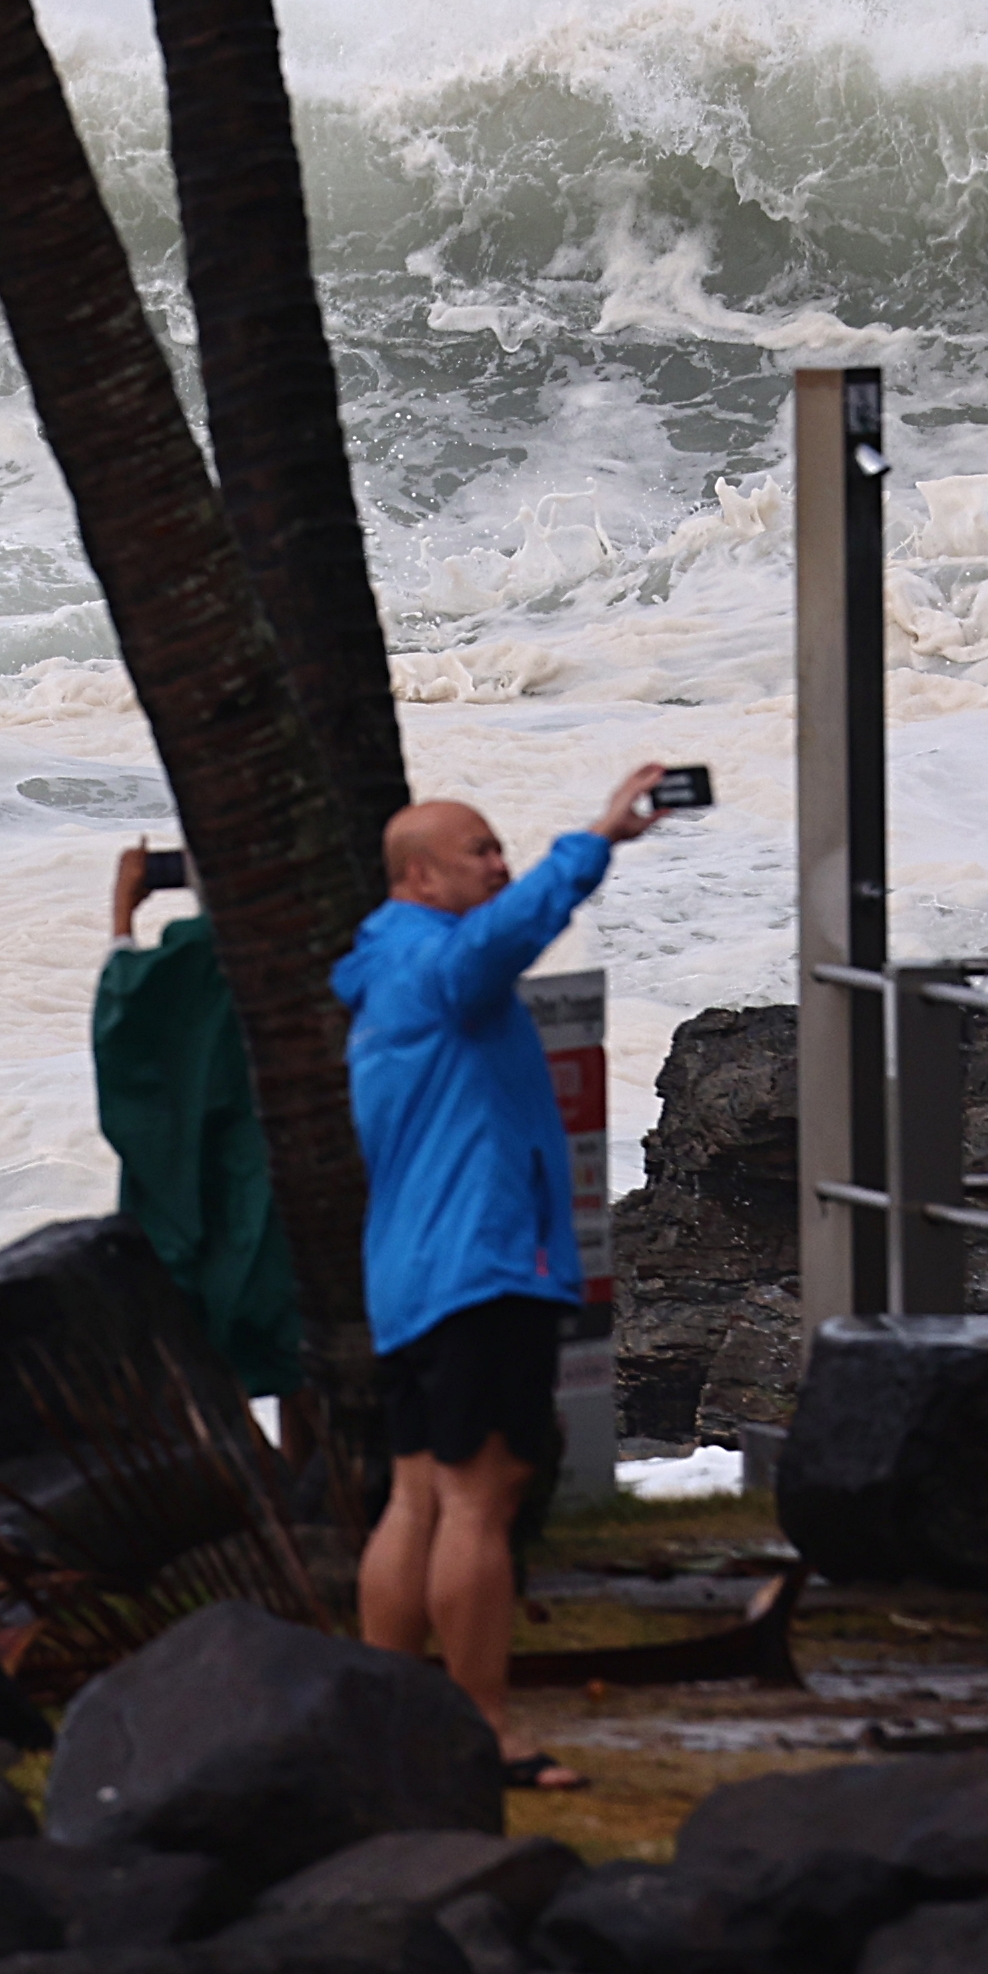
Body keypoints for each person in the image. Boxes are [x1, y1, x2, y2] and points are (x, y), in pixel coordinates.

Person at [340, 764, 675, 1792]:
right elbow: (507, 936)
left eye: (498, 847)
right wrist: (595, 841)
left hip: (407, 1277)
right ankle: (484, 1731)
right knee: (481, 1500)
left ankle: (390, 1723)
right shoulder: (443, 964)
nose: (498, 863)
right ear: (417, 877)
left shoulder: (381, 971)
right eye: (478, 851)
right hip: (483, 1267)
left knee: (416, 1498)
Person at [95, 846, 304, 1405]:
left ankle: (258, 1482)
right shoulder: (311, 944)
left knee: (204, 1359)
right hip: (294, 1177)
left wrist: (123, 914)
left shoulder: (197, 954)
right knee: (305, 1359)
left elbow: (123, 1017)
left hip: (216, 1180)